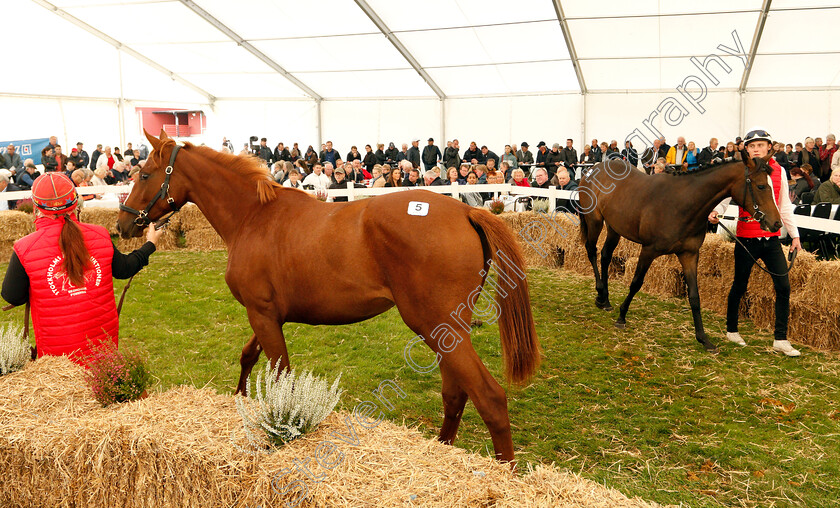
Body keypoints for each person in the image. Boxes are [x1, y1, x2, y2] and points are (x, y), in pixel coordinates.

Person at [1, 173, 163, 364]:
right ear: (75, 202)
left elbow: (11, 295)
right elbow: (124, 269)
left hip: (58, 361)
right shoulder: (99, 234)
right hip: (102, 349)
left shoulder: (25, 247)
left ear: (37, 208)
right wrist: (150, 244)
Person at [708, 128, 802, 357]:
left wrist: (795, 235)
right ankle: (732, 330)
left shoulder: (779, 171)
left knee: (783, 287)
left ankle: (781, 339)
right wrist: (715, 210)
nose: (756, 149)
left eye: (760, 145)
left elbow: (784, 207)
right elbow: (727, 196)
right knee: (739, 285)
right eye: (752, 146)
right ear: (747, 150)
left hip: (770, 240)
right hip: (746, 238)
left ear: (769, 147)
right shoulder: (742, 171)